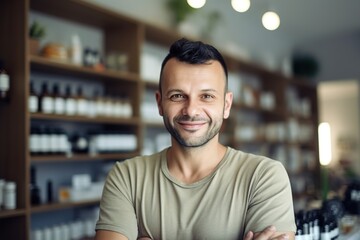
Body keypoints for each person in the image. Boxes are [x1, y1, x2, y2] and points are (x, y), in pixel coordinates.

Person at [95, 38, 296, 240]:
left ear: (226, 105)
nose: (191, 110)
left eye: (206, 96)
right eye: (177, 96)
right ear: (160, 103)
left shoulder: (264, 177)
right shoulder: (126, 178)